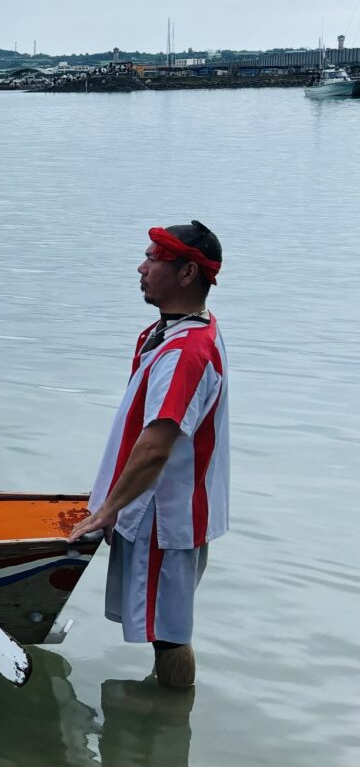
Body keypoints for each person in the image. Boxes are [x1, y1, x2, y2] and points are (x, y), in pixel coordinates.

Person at [69, 223, 228, 690]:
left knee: (170, 633)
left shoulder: (187, 349)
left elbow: (157, 444)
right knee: (164, 627)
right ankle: (166, 726)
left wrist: (107, 510)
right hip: (152, 506)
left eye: (155, 259)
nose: (142, 267)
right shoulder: (164, 334)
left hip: (164, 514)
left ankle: (170, 722)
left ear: (187, 274)